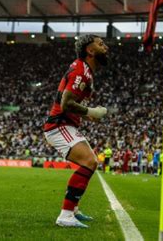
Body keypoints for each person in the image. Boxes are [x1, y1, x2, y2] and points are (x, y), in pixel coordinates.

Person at [43, 34, 109, 228]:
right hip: (58, 125)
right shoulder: (81, 70)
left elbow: (71, 104)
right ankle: (65, 215)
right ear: (90, 50)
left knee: (91, 162)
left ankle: (73, 210)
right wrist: (91, 111)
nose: (105, 47)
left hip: (67, 124)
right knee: (89, 161)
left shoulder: (85, 70)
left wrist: (88, 116)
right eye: (100, 44)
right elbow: (65, 104)